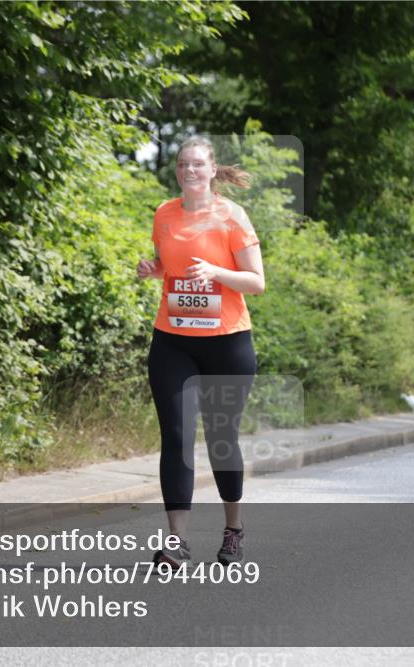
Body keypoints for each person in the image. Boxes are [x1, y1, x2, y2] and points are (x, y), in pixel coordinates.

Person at [136, 136, 265, 568]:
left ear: (212, 170)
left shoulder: (232, 215)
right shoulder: (164, 213)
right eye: (182, 164)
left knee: (221, 441)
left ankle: (233, 530)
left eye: (197, 165)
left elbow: (256, 282)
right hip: (173, 340)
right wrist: (152, 271)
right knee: (175, 436)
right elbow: (168, 269)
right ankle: (177, 542)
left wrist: (216, 271)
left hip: (227, 343)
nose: (189, 171)